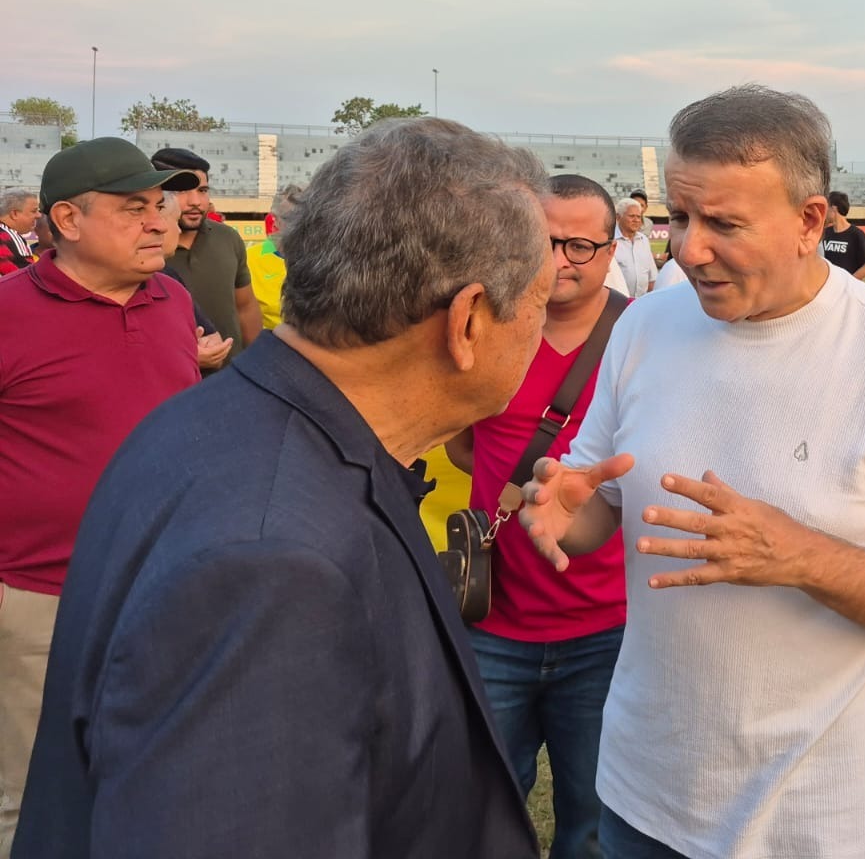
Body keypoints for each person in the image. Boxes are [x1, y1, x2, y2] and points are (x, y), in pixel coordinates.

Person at [16, 119, 549, 858]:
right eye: (539, 302)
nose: (540, 328)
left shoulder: (231, 421)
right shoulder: (272, 562)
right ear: (466, 322)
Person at [519, 85, 865, 859]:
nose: (688, 249)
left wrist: (798, 557)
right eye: (680, 216)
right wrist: (564, 505)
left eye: (724, 224)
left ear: (810, 222)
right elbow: (597, 500)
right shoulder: (645, 326)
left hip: (813, 822)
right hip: (642, 791)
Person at [0, 138, 198, 854]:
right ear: (67, 220)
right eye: (133, 208)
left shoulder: (173, 300)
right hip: (40, 601)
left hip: (164, 591)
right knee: (32, 794)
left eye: (159, 205)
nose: (159, 222)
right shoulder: (8, 312)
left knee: (150, 777)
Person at [445, 174, 627, 859]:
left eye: (581, 244)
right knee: (486, 812)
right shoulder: (483, 327)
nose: (562, 259)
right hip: (492, 623)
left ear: (612, 251)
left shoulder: (642, 337)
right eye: (547, 240)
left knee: (594, 818)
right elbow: (466, 445)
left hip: (605, 630)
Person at [149, 147, 263, 366]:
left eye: (202, 190)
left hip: (232, 378)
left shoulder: (228, 238)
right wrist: (183, 356)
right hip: (173, 383)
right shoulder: (144, 250)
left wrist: (260, 362)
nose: (196, 202)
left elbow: (245, 306)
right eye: (184, 191)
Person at [155, 192, 233, 373]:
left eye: (203, 190)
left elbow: (213, 340)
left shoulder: (169, 281)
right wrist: (184, 354)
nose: (179, 230)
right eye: (175, 221)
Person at [245, 183, 304, 331]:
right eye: (290, 218)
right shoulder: (249, 260)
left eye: (304, 217)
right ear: (276, 221)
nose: (298, 225)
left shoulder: (330, 258)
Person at [821, 191, 865, 279]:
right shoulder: (825, 233)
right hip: (828, 288)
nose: (825, 212)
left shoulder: (856, 234)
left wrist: (848, 283)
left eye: (827, 207)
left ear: (834, 208)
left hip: (846, 290)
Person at [611, 196, 655, 297]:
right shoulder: (610, 241)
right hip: (617, 303)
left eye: (638, 217)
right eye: (631, 216)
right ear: (618, 217)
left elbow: (652, 277)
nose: (636, 220)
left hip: (641, 302)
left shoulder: (644, 240)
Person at [0, 188, 39, 276]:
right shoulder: (10, 237)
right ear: (14, 214)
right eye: (34, 211)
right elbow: (27, 278)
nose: (38, 215)